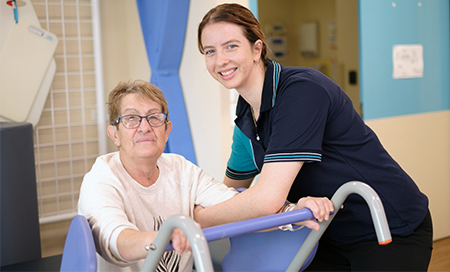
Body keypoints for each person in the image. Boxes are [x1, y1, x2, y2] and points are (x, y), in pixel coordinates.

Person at [195, 3, 433, 271]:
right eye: (210, 51)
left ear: (257, 49)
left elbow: (265, 199)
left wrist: (196, 219)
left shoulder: (302, 90)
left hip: (386, 226)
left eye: (231, 46)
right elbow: (228, 192)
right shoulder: (246, 115)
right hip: (325, 233)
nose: (220, 60)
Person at [78, 80, 240, 272]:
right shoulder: (100, 180)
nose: (145, 127)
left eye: (154, 117)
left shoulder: (182, 169)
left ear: (167, 131)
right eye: (131, 118)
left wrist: (283, 211)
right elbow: (117, 240)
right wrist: (164, 237)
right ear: (114, 134)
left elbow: (234, 203)